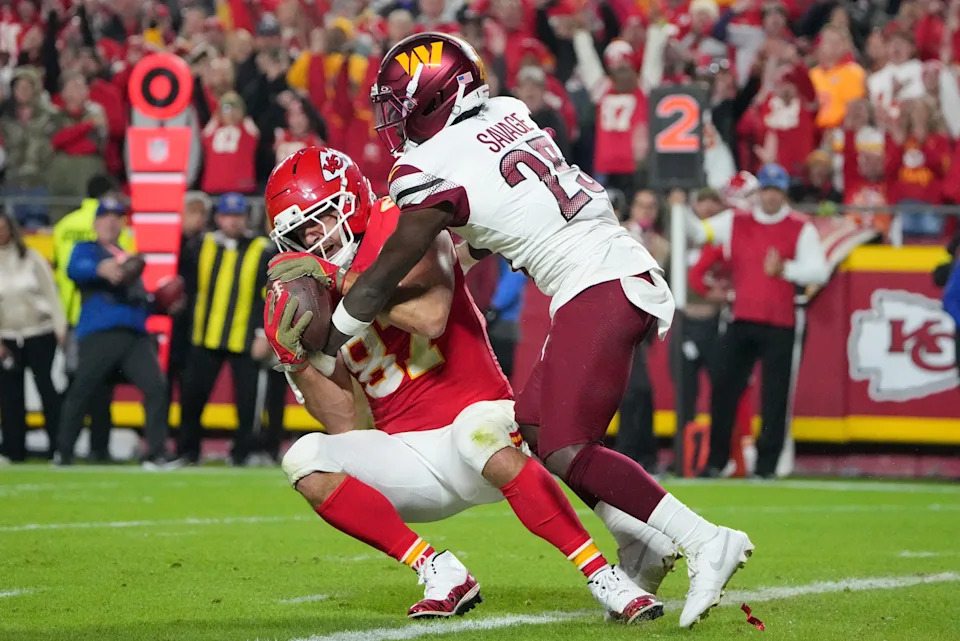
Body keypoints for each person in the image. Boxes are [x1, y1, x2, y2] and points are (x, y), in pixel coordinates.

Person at [272, 35, 753, 629]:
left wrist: (326, 331)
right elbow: (491, 224)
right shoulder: (510, 113)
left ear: (435, 101)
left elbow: (377, 290)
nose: (393, 123)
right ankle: (641, 542)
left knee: (566, 446)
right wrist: (299, 358)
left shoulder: (422, 171)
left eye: (400, 107)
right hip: (606, 269)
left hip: (595, 279)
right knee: (535, 422)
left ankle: (705, 539)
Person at [264, 147, 677, 622]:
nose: (311, 240)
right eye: (298, 233)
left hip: (488, 423)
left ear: (351, 200)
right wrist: (295, 359)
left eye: (318, 220)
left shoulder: (399, 222)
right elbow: (344, 421)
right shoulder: (306, 291)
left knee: (474, 434)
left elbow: (431, 316)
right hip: (412, 456)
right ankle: (439, 570)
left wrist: (340, 281)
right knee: (304, 458)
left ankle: (606, 578)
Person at [683, 164, 830, 479]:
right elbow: (699, 232)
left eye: (776, 190)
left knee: (774, 397)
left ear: (783, 193)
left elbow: (819, 271)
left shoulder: (799, 227)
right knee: (723, 388)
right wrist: (679, 205)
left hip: (780, 321)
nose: (771, 196)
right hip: (743, 318)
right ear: (760, 191)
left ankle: (766, 466)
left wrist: (786, 271)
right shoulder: (736, 221)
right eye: (767, 189)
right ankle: (718, 460)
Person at [57, 198, 176, 468]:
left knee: (156, 387)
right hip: (100, 333)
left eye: (117, 217)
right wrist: (99, 268)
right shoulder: (87, 250)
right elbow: (75, 269)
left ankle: (156, 452)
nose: (111, 221)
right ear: (96, 223)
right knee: (83, 391)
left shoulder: (126, 255)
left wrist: (162, 304)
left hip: (134, 335)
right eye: (106, 217)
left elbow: (139, 301)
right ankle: (63, 451)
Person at [176, 193, 272, 466]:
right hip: (204, 336)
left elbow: (267, 296)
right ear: (218, 218)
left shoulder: (261, 249)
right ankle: (188, 452)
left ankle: (242, 454)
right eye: (228, 216)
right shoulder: (200, 245)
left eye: (238, 216)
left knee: (247, 402)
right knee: (193, 398)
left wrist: (261, 333)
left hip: (244, 337)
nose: (232, 221)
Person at [0, 211, 65, 461]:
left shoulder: (32, 258)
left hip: (40, 333)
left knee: (47, 390)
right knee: (10, 397)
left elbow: (51, 293)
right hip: (7, 337)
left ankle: (58, 447)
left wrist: (60, 328)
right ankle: (14, 451)